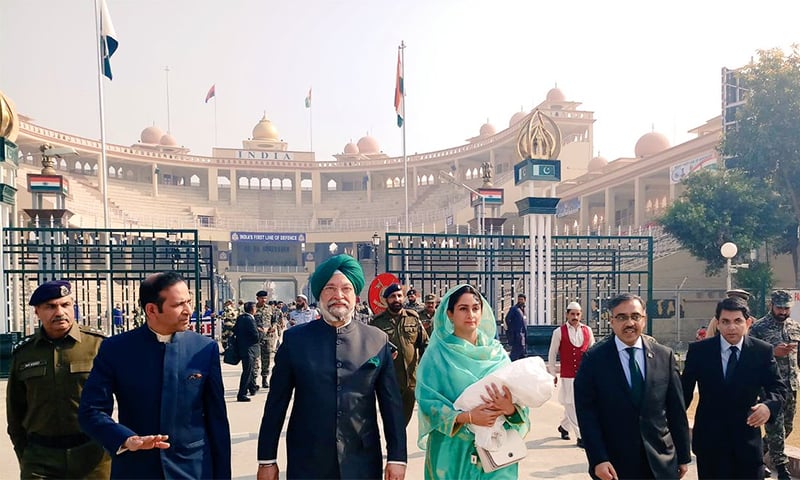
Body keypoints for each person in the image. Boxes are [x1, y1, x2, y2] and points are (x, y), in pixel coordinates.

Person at [256, 254, 407, 480]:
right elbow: (276, 403)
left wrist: (397, 457)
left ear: (355, 295)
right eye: (330, 288)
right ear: (319, 295)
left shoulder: (376, 340)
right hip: (307, 459)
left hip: (362, 460)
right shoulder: (295, 341)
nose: (338, 296)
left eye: (346, 289)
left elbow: (391, 406)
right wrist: (267, 459)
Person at [79, 271, 231, 479]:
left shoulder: (204, 349)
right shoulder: (116, 350)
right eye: (178, 305)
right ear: (151, 310)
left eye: (189, 302)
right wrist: (126, 439)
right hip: (137, 468)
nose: (188, 311)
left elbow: (217, 421)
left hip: (192, 469)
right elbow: (91, 412)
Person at [415, 284, 530, 479]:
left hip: (496, 449)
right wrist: (467, 417)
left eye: (475, 308)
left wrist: (509, 408)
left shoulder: (497, 353)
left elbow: (519, 400)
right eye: (463, 309)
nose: (471, 314)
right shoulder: (436, 355)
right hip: (452, 450)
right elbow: (427, 403)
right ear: (450, 314)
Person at [574, 292, 691, 480]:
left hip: (661, 461)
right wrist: (598, 459)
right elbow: (587, 415)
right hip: (615, 465)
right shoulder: (594, 360)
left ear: (644, 319)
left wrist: (683, 456)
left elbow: (676, 410)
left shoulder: (664, 356)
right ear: (611, 321)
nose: (629, 323)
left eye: (635, 316)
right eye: (621, 317)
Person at [6, 280, 111, 479]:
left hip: (92, 456)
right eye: (50, 307)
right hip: (41, 459)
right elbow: (15, 410)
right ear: (37, 312)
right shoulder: (24, 353)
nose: (60, 312)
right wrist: (26, 454)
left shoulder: (99, 346)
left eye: (65, 305)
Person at [682, 296, 787, 479]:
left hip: (747, 442)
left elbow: (777, 388)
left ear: (748, 322)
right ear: (718, 323)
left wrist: (768, 407)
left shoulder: (761, 351)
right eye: (725, 321)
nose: (731, 327)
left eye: (737, 321)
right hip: (710, 443)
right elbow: (682, 394)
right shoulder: (699, 352)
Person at [749, 289, 800, 480]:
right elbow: (750, 355)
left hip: (791, 386)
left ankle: (755, 456)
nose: (783, 312)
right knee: (775, 427)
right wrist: (773, 352)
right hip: (769, 388)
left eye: (787, 308)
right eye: (780, 308)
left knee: (787, 428)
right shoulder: (759, 328)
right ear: (772, 305)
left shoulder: (795, 326)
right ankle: (782, 470)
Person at [371, 283, 429, 425]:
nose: (396, 299)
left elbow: (425, 345)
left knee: (403, 422)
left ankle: (398, 445)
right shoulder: (377, 323)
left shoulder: (413, 318)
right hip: (389, 380)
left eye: (399, 296)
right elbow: (370, 353)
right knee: (393, 423)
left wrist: (424, 370)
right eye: (392, 297)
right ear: (386, 300)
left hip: (411, 382)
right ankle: (397, 447)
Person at [547, 300, 595, 448]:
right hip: (568, 375)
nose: (575, 316)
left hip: (583, 375)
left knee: (577, 403)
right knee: (571, 404)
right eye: (572, 314)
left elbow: (592, 352)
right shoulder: (558, 332)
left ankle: (564, 427)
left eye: (577, 314)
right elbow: (552, 353)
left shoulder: (587, 330)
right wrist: (552, 373)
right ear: (567, 314)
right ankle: (580, 436)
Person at [234, 301, 261, 401]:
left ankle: (252, 387)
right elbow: (255, 336)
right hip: (249, 349)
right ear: (252, 309)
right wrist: (261, 333)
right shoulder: (250, 320)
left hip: (243, 348)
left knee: (250, 369)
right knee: (248, 371)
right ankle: (242, 393)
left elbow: (235, 330)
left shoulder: (241, 318)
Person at [255, 290, 275, 388]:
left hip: (267, 337)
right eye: (262, 298)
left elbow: (274, 320)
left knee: (266, 358)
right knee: (255, 359)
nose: (264, 300)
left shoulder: (270, 309)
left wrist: (273, 327)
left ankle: (264, 379)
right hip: (255, 338)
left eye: (265, 298)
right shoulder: (253, 309)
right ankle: (253, 380)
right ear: (257, 298)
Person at [505, 294, 527, 361]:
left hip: (523, 336)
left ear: (525, 300)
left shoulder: (523, 310)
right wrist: (512, 330)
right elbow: (507, 319)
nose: (520, 301)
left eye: (522, 299)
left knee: (522, 354)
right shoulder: (514, 309)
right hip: (517, 336)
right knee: (515, 354)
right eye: (519, 299)